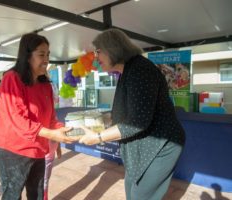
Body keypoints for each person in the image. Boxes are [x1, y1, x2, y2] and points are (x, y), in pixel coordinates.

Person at [79, 29, 185, 200]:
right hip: (145, 144)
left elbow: (137, 122)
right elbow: (131, 111)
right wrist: (103, 120)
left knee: (140, 195)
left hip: (162, 145)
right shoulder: (128, 70)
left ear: (112, 48)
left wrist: (98, 137)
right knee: (132, 190)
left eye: (98, 52)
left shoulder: (140, 70)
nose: (96, 58)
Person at [0, 33, 75, 200]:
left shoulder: (45, 84)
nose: (46, 59)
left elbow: (50, 118)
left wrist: (60, 133)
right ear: (27, 56)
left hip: (38, 148)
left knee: (37, 192)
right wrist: (52, 134)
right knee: (13, 193)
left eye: (48, 54)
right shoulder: (12, 78)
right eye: (41, 54)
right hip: (12, 150)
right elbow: (18, 120)